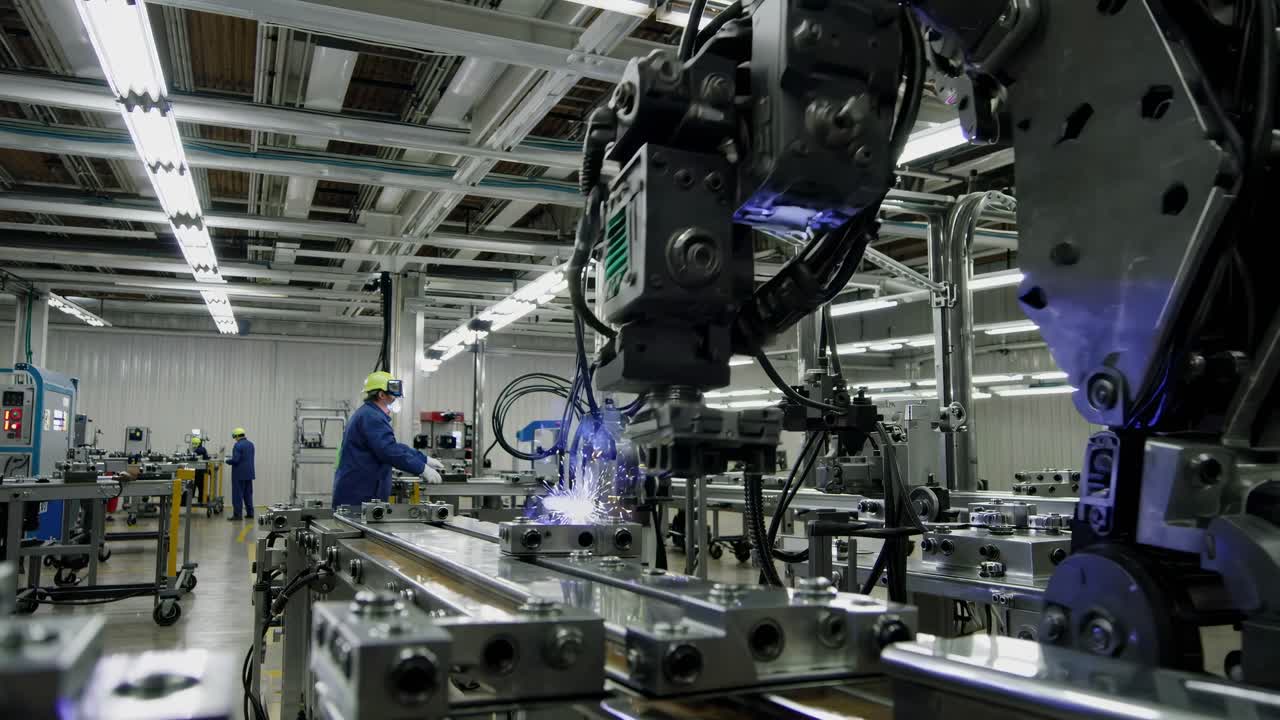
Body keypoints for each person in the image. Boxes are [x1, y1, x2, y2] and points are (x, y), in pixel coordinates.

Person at [332, 371, 443, 508]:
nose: (396, 399)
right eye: (393, 395)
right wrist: (422, 469)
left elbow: (393, 446)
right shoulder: (372, 417)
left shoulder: (369, 414)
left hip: (361, 491)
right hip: (360, 494)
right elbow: (388, 451)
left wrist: (424, 460)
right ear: (381, 395)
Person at [225, 427, 256, 521]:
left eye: (235, 437)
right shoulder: (251, 444)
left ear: (237, 436)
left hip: (239, 474)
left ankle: (237, 515)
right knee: (248, 494)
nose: (235, 439)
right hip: (249, 473)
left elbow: (236, 460)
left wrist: (227, 460)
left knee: (237, 495)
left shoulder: (238, 445)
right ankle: (250, 513)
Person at [190, 437, 210, 505]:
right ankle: (200, 499)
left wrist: (193, 453)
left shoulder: (200, 449)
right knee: (199, 486)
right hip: (200, 470)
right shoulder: (201, 448)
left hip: (200, 471)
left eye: (193, 443)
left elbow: (198, 454)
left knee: (197, 485)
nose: (192, 445)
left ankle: (198, 499)